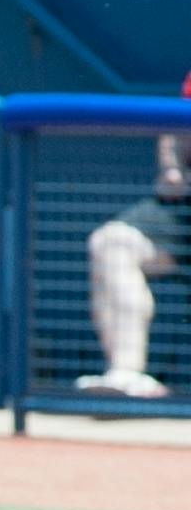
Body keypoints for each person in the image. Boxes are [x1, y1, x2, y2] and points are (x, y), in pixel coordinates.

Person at [79, 92, 188, 400]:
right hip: (184, 205)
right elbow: (176, 125)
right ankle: (126, 373)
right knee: (111, 242)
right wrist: (172, 168)